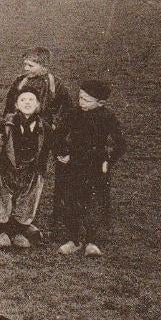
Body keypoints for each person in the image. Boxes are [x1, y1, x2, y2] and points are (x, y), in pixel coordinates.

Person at [1, 47, 74, 234]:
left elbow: (66, 110)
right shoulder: (20, 82)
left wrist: (55, 126)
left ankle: (24, 217)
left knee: (35, 174)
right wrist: (7, 126)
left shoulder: (55, 84)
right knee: (13, 171)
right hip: (19, 132)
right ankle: (6, 215)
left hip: (42, 134)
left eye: (30, 65)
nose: (25, 68)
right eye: (25, 64)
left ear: (43, 66)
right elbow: (9, 105)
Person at [56, 80, 126, 258]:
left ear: (100, 103)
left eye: (86, 100)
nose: (81, 103)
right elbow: (58, 135)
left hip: (95, 166)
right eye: (80, 98)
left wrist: (108, 159)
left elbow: (120, 143)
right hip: (73, 165)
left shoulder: (107, 117)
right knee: (71, 200)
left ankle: (92, 241)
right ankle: (73, 239)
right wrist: (63, 152)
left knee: (94, 202)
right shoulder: (73, 114)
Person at [0, 90, 51, 248]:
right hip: (6, 168)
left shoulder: (44, 126)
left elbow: (53, 144)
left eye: (31, 100)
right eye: (23, 100)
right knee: (2, 198)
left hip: (31, 170)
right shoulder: (7, 123)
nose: (27, 103)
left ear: (38, 104)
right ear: (16, 104)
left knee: (27, 200)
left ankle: (19, 230)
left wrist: (63, 154)